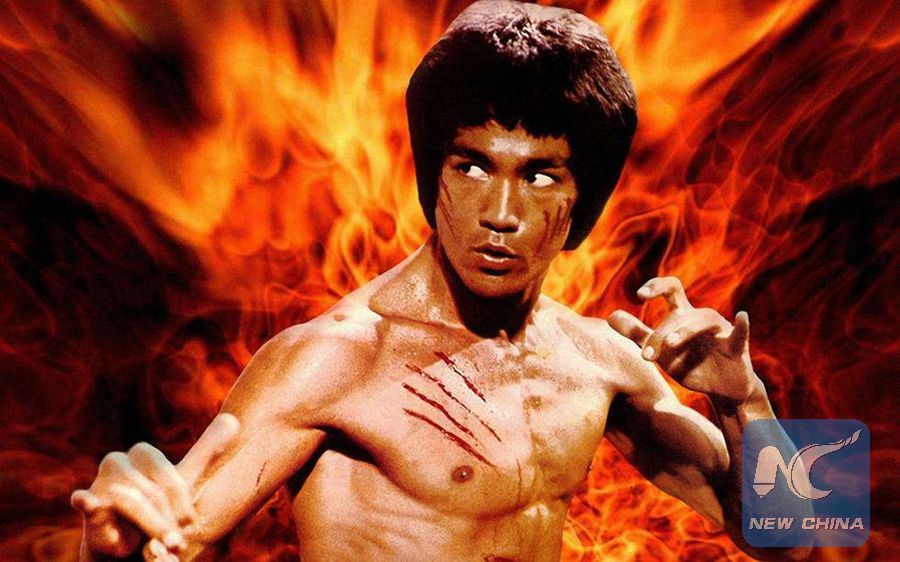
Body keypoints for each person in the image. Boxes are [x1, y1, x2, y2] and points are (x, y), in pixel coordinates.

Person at [71, 2, 809, 561]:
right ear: (434, 176)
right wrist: (105, 548)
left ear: (582, 199)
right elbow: (164, 541)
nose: (500, 213)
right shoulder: (335, 358)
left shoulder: (599, 362)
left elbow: (795, 539)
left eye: (539, 176)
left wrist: (744, 398)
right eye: (473, 166)